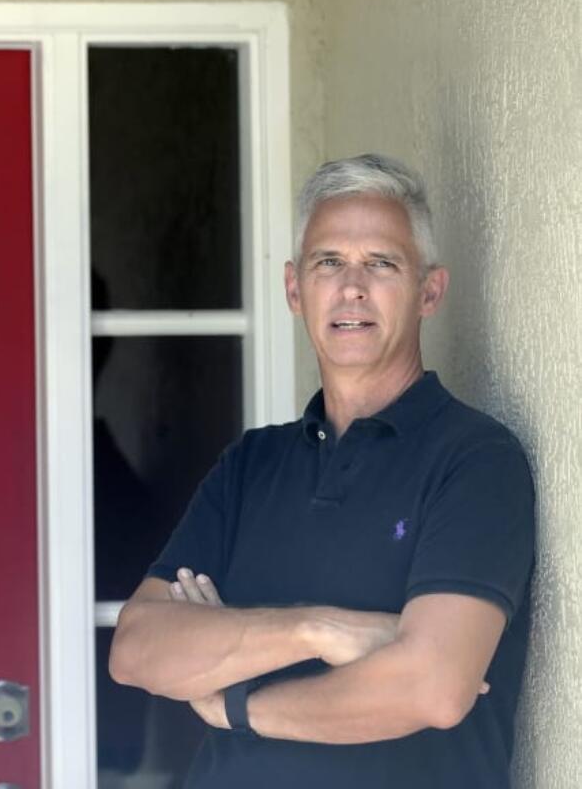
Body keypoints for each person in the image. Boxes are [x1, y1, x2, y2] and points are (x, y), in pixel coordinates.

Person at [108, 153, 536, 789]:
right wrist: (321, 630)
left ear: (430, 291)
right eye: (328, 262)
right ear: (293, 289)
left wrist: (236, 702)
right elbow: (138, 649)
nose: (351, 287)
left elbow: (432, 689)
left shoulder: (474, 459)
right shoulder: (250, 466)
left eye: (381, 264)